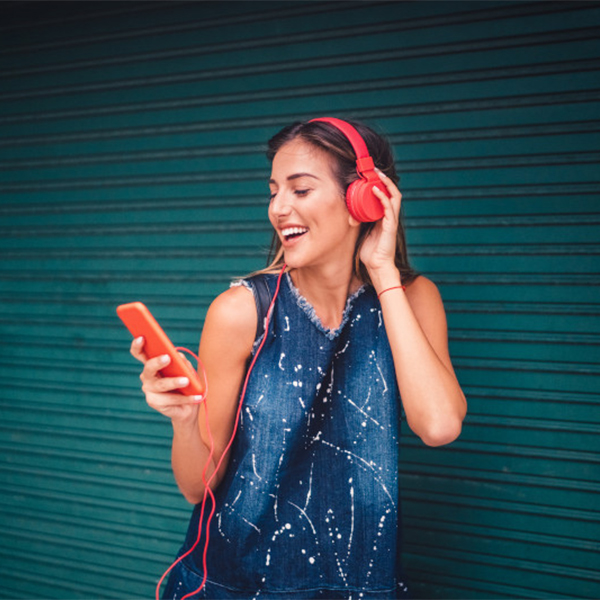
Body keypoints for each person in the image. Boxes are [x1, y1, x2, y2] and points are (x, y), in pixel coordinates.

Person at [131, 117, 467, 599]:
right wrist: (186, 422)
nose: (278, 208)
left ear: (363, 200)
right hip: (238, 585)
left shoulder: (412, 299)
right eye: (273, 191)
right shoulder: (241, 311)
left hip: (359, 586)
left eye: (300, 190)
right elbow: (195, 488)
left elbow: (439, 426)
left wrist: (382, 270)